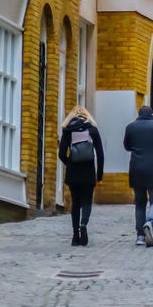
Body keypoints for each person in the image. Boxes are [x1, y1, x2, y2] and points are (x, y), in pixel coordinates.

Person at [123, 103, 153, 247]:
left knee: (139, 203)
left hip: (136, 168)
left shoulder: (130, 127)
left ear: (139, 114)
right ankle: (150, 222)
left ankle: (140, 236)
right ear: (152, 115)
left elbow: (127, 146)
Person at [58, 105, 104, 245]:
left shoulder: (67, 130)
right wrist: (99, 175)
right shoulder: (92, 130)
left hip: (73, 172)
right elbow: (100, 154)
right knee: (86, 202)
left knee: (75, 203)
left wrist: (70, 163)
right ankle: (84, 225)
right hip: (88, 171)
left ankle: (75, 235)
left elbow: (61, 154)